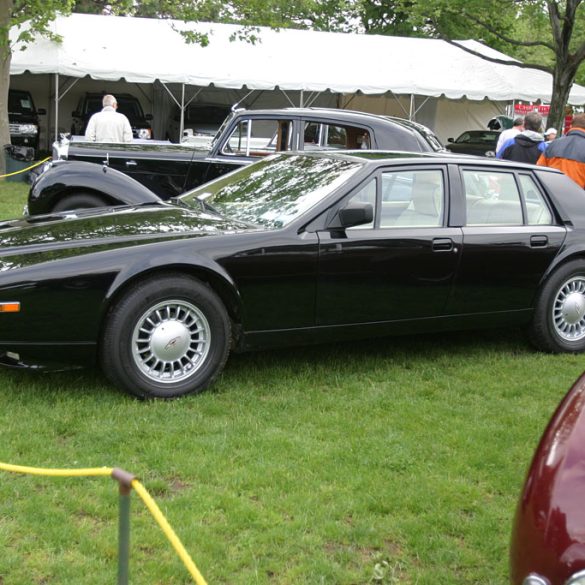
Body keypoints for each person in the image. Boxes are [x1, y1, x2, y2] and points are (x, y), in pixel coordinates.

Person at [537, 113, 585, 188]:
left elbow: (539, 170)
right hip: (578, 196)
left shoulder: (554, 144)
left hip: (551, 194)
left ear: (571, 126)